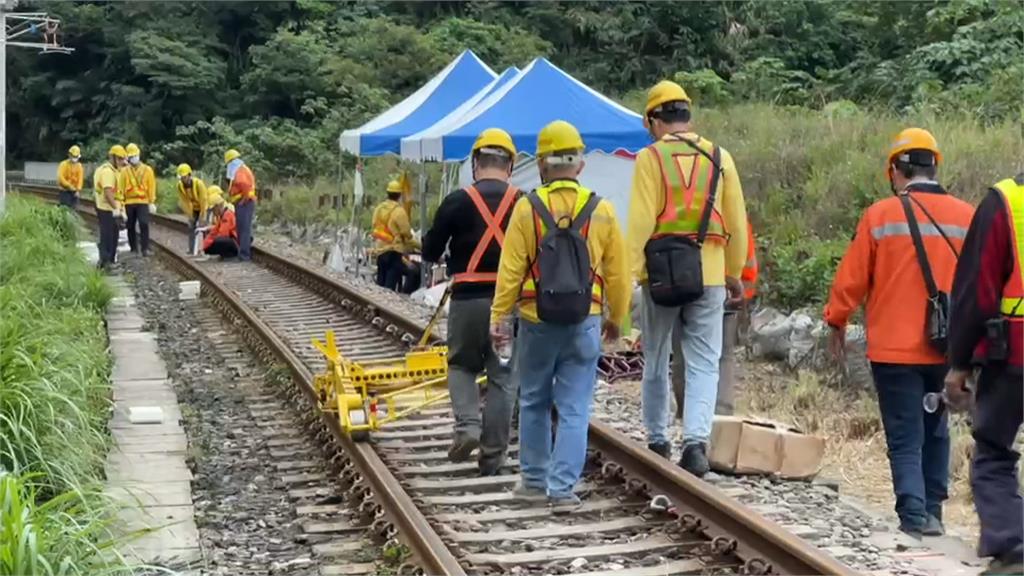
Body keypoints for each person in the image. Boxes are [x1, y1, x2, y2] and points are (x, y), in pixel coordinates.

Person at [824, 128, 974, 539]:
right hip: (948, 346)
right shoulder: (967, 215)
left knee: (905, 431)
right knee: (937, 427)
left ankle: (912, 515)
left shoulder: (880, 215)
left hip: (894, 348)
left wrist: (836, 320)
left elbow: (851, 280)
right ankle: (935, 511)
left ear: (895, 171)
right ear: (935, 167)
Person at [491, 120, 629, 506]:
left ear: (542, 165)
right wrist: (616, 318)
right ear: (580, 164)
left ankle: (534, 482)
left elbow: (511, 270)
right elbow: (619, 273)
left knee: (533, 399)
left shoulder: (527, 208)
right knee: (574, 406)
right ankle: (563, 489)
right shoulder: (602, 211)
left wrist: (499, 317)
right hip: (585, 320)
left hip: (536, 321)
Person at [628, 80, 748, 477]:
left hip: (660, 274)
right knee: (703, 362)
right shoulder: (720, 157)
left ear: (654, 121)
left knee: (657, 357)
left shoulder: (651, 158)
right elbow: (735, 219)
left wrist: (630, 273)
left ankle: (658, 439)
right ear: (687, 116)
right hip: (709, 271)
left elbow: (642, 220)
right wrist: (734, 270)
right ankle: (696, 444)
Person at [423, 128, 520, 474]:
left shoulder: (457, 200)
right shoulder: (524, 201)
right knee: (503, 376)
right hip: (507, 305)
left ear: (475, 163)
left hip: (466, 300)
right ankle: (493, 457)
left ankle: (467, 427)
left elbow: (430, 251)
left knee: (462, 365)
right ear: (510, 165)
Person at [946, 174, 1024, 575]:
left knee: (992, 452)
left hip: (1015, 355)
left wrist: (960, 361)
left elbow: (978, 292)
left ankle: (1014, 552)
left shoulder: (1006, 203)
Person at [673, 223, 757, 418]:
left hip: (684, 287)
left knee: (682, 352)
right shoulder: (733, 212)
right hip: (727, 289)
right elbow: (748, 255)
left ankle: (687, 412)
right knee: (724, 355)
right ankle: (722, 411)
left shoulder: (680, 205)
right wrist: (744, 291)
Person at [371, 180, 420, 293]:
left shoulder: (379, 208)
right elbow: (407, 234)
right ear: (399, 195)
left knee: (380, 282)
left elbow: (374, 225)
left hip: (380, 250)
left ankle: (377, 304)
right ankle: (390, 304)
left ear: (387, 193)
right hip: (394, 252)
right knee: (390, 286)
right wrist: (421, 246)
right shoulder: (399, 212)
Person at [118, 143, 156, 257]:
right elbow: (121, 187)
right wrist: (121, 204)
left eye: (135, 155)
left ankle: (145, 248)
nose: (133, 158)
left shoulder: (147, 170)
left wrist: (151, 201)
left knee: (144, 224)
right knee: (130, 225)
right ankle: (133, 248)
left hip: (143, 201)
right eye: (131, 156)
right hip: (129, 202)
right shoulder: (124, 171)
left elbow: (151, 186)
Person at [94, 145, 127, 269]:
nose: (121, 161)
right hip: (106, 208)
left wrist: (121, 208)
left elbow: (118, 193)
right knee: (107, 235)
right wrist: (116, 208)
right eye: (119, 158)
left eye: (123, 159)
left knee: (113, 235)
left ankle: (111, 260)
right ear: (112, 158)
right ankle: (105, 262)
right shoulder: (107, 172)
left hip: (111, 208)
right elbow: (108, 193)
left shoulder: (116, 171)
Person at [224, 149, 257, 261]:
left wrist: (243, 199)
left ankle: (244, 255)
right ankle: (243, 251)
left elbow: (245, 186)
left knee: (243, 229)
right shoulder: (241, 169)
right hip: (244, 202)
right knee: (242, 228)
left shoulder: (239, 171)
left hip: (245, 203)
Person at [177, 163, 209, 255]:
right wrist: (190, 215)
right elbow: (184, 201)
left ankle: (204, 249)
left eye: (184, 177)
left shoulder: (199, 184)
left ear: (189, 175)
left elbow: (204, 200)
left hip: (204, 207)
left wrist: (203, 216)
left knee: (203, 228)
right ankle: (192, 249)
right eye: (181, 178)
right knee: (191, 226)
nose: (183, 180)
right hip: (194, 208)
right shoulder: (180, 186)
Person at [202, 194, 239, 259]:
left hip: (235, 243)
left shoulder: (227, 215)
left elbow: (223, 234)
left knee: (218, 240)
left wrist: (209, 241)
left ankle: (230, 255)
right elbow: (214, 231)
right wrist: (205, 243)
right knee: (209, 242)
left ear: (218, 206)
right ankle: (224, 254)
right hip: (230, 241)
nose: (213, 212)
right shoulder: (221, 216)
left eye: (213, 209)